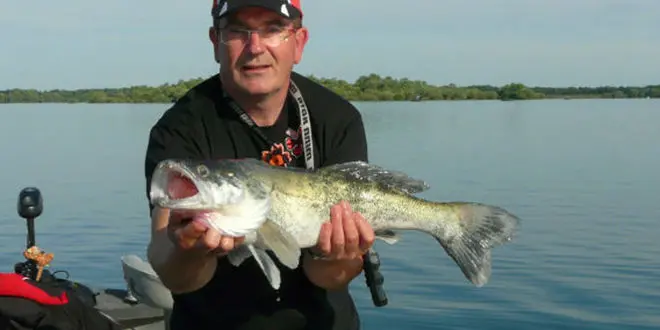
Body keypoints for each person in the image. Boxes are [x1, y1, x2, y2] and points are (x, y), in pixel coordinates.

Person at [143, 0, 376, 329]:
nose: (255, 47)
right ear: (215, 41)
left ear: (299, 42)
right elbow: (174, 274)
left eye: (273, 29)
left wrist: (339, 256)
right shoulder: (180, 130)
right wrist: (189, 252)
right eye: (237, 31)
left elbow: (330, 277)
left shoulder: (337, 119)